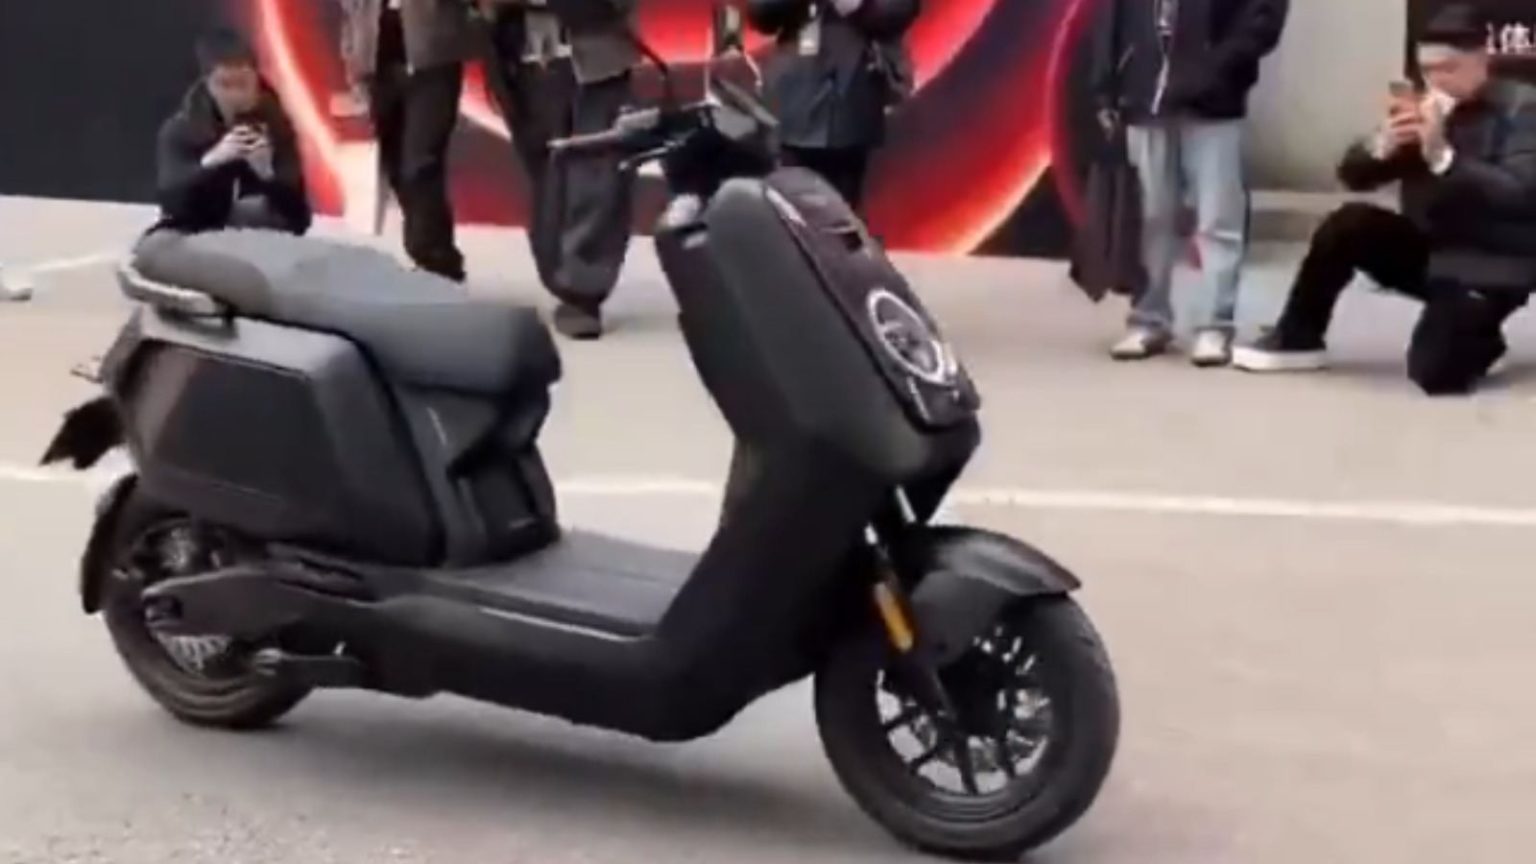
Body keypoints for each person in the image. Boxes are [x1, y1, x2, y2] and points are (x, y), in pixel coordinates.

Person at [1233, 4, 1536, 396]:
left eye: (1448, 69)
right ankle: (1298, 336)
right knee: (1349, 224)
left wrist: (1444, 158)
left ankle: (1480, 340)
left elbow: (1520, 193)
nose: (1436, 82)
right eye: (1428, 71)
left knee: (1435, 375)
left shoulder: (1522, 108)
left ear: (1481, 61)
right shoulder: (1425, 107)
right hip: (1430, 247)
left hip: (1493, 261)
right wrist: (1382, 145)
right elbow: (1353, 177)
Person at [1092, 0, 1288, 366]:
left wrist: (1219, 68)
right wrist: (1105, 84)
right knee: (1150, 216)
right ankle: (1149, 318)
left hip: (1214, 102)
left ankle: (1214, 324)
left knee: (1218, 217)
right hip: (1145, 93)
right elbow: (1111, 16)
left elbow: (1263, 17)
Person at [478, 0, 638, 340]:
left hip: (597, 52)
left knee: (597, 168)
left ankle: (583, 290)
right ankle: (560, 270)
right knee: (546, 170)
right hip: (522, 53)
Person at [338, 0, 472, 281]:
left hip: (433, 60)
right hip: (378, 62)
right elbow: (350, 9)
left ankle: (434, 259)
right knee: (396, 164)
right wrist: (352, 56)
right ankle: (430, 252)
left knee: (421, 162)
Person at [746, 0, 920, 211]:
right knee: (789, 207)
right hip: (792, 105)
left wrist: (857, 6)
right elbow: (761, 15)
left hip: (853, 101)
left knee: (841, 208)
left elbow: (900, 10)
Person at [153, 29, 311, 236]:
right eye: (225, 85)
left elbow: (299, 220)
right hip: (199, 231)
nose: (236, 95)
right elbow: (171, 206)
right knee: (160, 242)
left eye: (244, 84)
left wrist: (268, 175)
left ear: (257, 81)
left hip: (260, 237)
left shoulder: (277, 127)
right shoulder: (182, 130)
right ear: (208, 85)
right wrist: (211, 162)